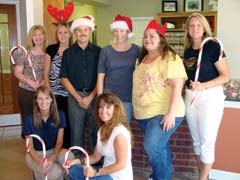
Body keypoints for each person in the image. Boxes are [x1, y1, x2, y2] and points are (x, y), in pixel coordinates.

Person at [132, 19, 187, 180]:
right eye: (145, 36)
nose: (147, 39)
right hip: (144, 114)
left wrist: (170, 114)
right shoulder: (143, 58)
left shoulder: (170, 57)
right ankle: (163, 175)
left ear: (161, 38)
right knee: (160, 147)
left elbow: (178, 86)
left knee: (152, 146)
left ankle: (160, 177)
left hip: (164, 112)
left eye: (152, 36)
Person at [183, 13, 230, 180]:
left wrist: (203, 85)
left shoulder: (213, 46)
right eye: (191, 25)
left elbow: (225, 76)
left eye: (198, 25)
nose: (195, 28)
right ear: (187, 29)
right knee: (196, 142)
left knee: (207, 142)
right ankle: (204, 176)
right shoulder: (188, 49)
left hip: (210, 97)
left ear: (204, 28)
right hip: (191, 97)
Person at [65, 91, 134, 180]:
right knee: (73, 169)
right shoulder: (102, 130)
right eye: (101, 107)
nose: (103, 110)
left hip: (117, 176)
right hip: (104, 172)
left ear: (115, 110)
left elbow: (120, 164)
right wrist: (76, 161)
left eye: (108, 107)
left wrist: (96, 172)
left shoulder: (119, 132)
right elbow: (95, 157)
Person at [59, 15, 101, 155]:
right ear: (75, 32)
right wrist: (79, 98)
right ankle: (76, 163)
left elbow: (101, 76)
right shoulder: (68, 53)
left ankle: (95, 162)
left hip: (94, 97)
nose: (82, 33)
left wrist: (90, 97)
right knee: (76, 133)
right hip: (74, 97)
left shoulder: (99, 52)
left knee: (95, 132)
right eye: (79, 30)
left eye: (86, 30)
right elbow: (63, 78)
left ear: (90, 31)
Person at [22, 85, 74, 180]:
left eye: (47, 98)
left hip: (54, 150)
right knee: (56, 173)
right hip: (35, 155)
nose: (44, 102)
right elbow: (29, 148)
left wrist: (52, 158)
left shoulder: (60, 115)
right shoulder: (29, 119)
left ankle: (59, 172)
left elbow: (59, 142)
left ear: (51, 100)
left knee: (70, 156)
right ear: (36, 101)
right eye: (40, 99)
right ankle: (40, 173)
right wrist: (41, 162)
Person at [97, 14, 140, 123]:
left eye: (122, 31)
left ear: (128, 33)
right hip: (108, 98)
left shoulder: (137, 50)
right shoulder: (106, 51)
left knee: (123, 132)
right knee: (107, 132)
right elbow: (100, 77)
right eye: (116, 31)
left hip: (127, 99)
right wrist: (100, 99)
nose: (118, 34)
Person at [14, 25, 47, 137]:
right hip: (26, 91)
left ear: (44, 36)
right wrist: (30, 82)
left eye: (40, 34)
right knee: (28, 119)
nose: (38, 37)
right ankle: (30, 144)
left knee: (42, 118)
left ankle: (40, 143)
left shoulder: (48, 53)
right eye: (35, 35)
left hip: (43, 92)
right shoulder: (25, 53)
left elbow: (50, 72)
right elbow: (17, 72)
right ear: (31, 38)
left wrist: (43, 82)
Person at [44, 21, 73, 148]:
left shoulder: (74, 51)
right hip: (53, 94)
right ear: (57, 35)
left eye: (65, 32)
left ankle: (65, 151)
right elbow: (45, 73)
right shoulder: (51, 49)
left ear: (70, 34)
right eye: (60, 32)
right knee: (54, 123)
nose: (63, 35)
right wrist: (48, 93)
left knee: (67, 124)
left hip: (69, 95)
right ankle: (52, 149)